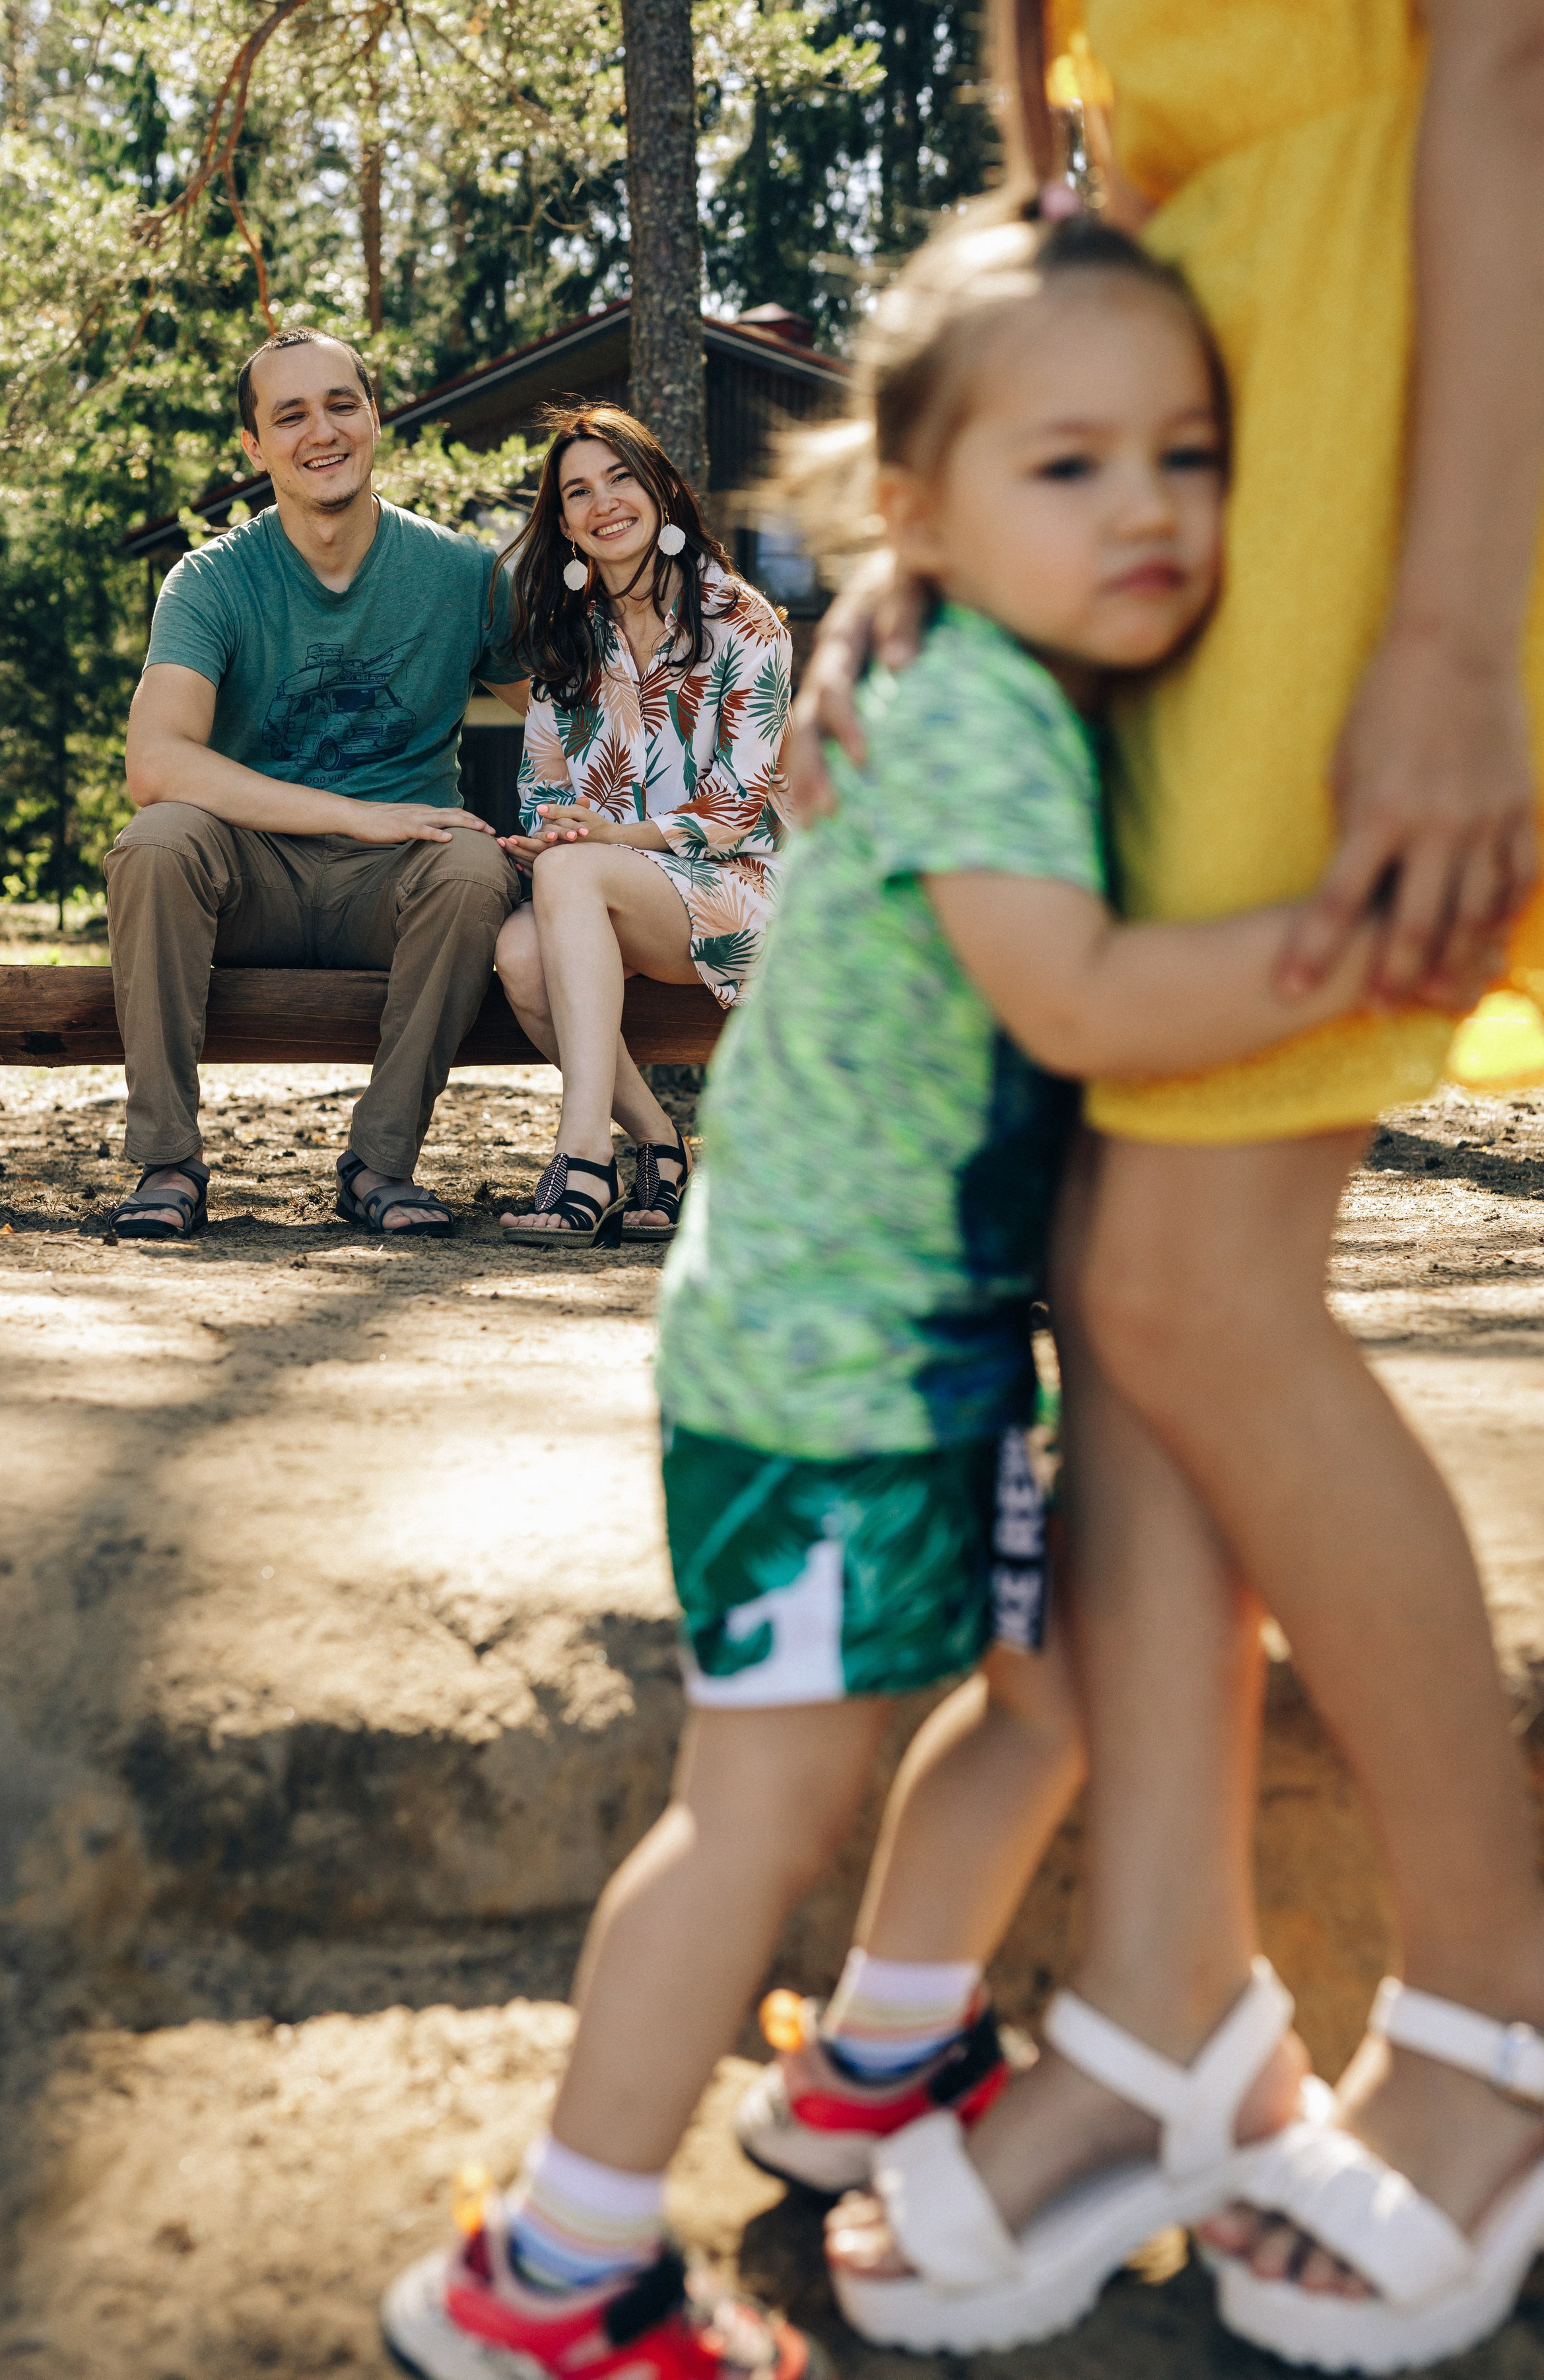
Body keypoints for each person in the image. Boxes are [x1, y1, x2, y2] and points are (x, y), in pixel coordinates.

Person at [379, 213, 1388, 2380]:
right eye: (1067, 464)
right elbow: (1082, 989)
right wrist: (1357, 941)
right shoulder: (987, 714)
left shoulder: (958, 668)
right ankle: (546, 2275)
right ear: (918, 512)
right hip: (823, 1380)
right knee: (754, 1807)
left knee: (1047, 1685)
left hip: (901, 1352)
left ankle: (873, 2060)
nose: (1142, 508)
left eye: (1185, 458)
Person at [794, 0, 1544, 2367]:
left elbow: (1509, 33)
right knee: (1109, 1262)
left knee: (1183, 1275)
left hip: (1404, 365)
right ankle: (1157, 1998)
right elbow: (1076, 138)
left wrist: (1447, 637)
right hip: (1200, 384)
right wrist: (944, 530)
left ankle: (1493, 2019)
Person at [100, 326, 527, 1242]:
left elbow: (574, 713)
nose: (320, 431)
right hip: (248, 875)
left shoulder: (461, 575)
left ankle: (379, 1167)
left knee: (472, 865)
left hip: (398, 885)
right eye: (289, 414)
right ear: (254, 446)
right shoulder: (211, 581)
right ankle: (168, 1162)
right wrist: (353, 816)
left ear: (376, 417)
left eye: (342, 403)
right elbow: (158, 763)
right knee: (155, 844)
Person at [490, 406, 791, 1248]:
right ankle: (657, 1142)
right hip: (605, 891)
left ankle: (582, 1156)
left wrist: (603, 845)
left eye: (620, 477)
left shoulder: (743, 621)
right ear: (565, 526)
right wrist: (550, 836)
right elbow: (540, 788)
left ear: (660, 487)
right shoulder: (565, 640)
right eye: (577, 492)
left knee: (572, 875)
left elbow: (737, 809)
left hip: (743, 890)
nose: (603, 503)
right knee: (518, 956)